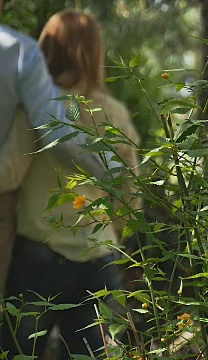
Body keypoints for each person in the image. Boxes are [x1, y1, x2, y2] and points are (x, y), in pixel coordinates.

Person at [0, 10, 141, 358]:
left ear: (46, 49)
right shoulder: (116, 114)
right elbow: (132, 197)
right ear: (96, 54)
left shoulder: (38, 108)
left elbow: (8, 173)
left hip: (37, 259)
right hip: (99, 261)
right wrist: (110, 233)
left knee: (17, 353)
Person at [0, 1, 114, 294]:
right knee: (90, 340)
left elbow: (10, 171)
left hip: (39, 244)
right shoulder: (114, 112)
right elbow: (130, 187)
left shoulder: (31, 110)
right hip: (97, 248)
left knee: (23, 339)